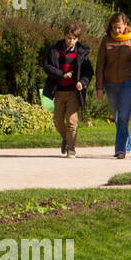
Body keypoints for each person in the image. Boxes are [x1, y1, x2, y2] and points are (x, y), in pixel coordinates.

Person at [93, 12, 131, 159]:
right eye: (114, 27)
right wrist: (99, 87)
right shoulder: (106, 40)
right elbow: (100, 65)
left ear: (126, 25)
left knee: (123, 116)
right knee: (117, 118)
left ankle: (120, 149)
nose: (117, 30)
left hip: (128, 83)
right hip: (110, 84)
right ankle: (127, 144)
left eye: (120, 27)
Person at [42, 21, 93, 158]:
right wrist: (61, 74)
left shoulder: (81, 52)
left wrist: (82, 82)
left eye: (74, 39)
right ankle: (66, 138)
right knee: (58, 120)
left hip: (73, 92)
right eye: (69, 38)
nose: (71, 41)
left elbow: (89, 72)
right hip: (58, 90)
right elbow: (46, 66)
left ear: (78, 39)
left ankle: (71, 148)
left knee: (71, 121)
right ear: (64, 36)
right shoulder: (54, 49)